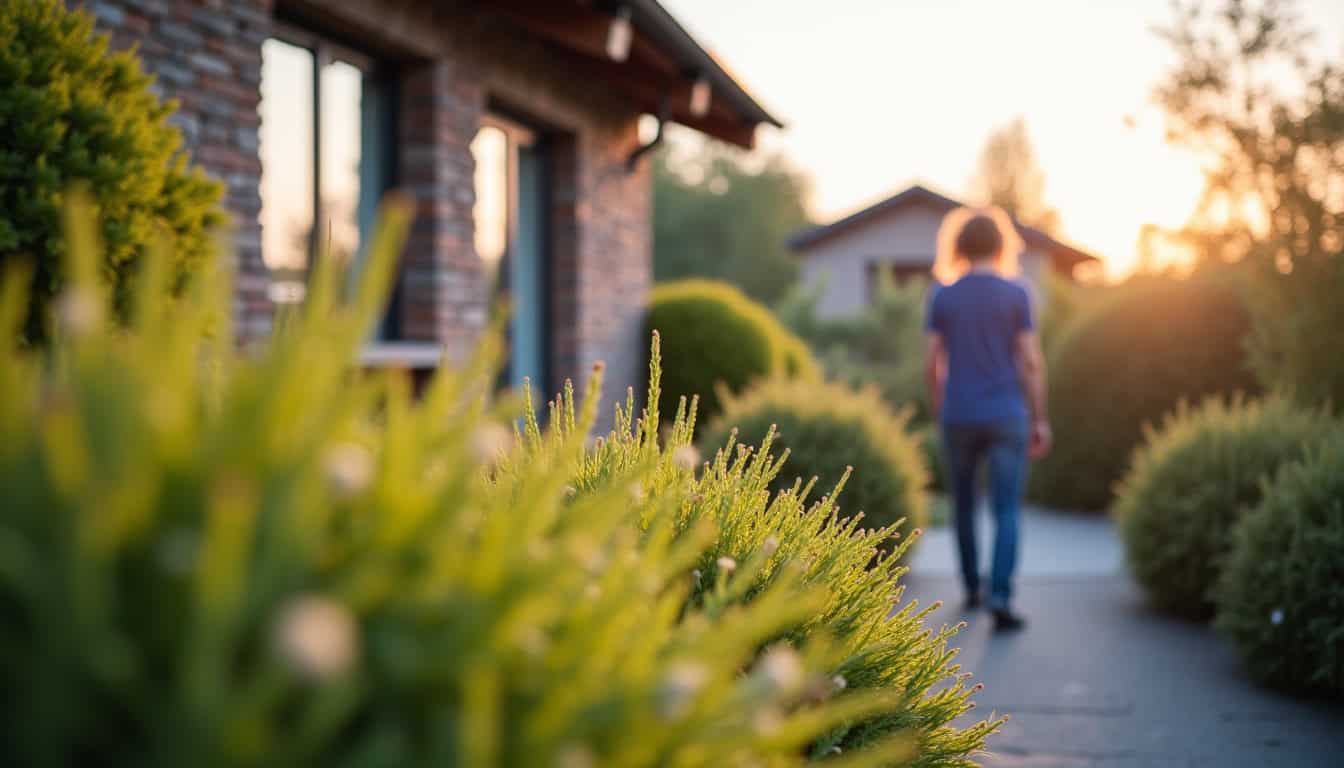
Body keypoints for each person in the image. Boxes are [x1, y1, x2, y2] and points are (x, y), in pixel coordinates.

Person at [924, 207, 1051, 632]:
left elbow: (932, 364)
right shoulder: (1017, 293)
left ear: (959, 246)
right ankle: (1000, 596)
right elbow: (1030, 361)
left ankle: (971, 588)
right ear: (1001, 245)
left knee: (963, 505)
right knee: (1006, 509)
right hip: (1007, 416)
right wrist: (1040, 418)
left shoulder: (943, 295)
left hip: (959, 415)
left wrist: (940, 409)